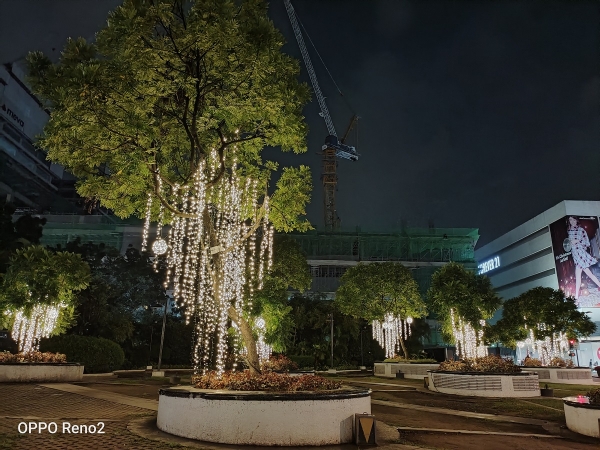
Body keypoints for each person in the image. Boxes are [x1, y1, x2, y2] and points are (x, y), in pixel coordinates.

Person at [568, 216, 600, 300]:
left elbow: (587, 243)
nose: (572, 221)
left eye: (573, 220)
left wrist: (578, 241)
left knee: (580, 276)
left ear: (576, 220)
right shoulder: (569, 232)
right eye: (570, 220)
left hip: (581, 255)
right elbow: (567, 245)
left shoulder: (581, 230)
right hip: (575, 255)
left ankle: (576, 297)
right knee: (587, 274)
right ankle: (576, 297)